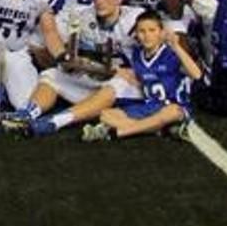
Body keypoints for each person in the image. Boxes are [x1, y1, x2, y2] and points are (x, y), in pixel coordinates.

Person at [4, 0, 145, 136]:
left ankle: (56, 121)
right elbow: (58, 40)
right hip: (99, 75)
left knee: (116, 84)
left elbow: (153, 49)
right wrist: (69, 60)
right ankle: (27, 114)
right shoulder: (83, 15)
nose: (100, 1)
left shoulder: (134, 18)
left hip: (130, 83)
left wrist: (137, 72)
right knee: (53, 74)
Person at [82, 10, 202, 141]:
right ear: (136, 34)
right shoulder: (137, 54)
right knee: (106, 115)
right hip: (149, 106)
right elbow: (139, 77)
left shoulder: (171, 53)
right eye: (142, 31)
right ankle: (161, 130)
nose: (147, 35)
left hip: (172, 107)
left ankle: (118, 132)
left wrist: (176, 46)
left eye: (152, 30)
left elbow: (197, 75)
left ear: (161, 32)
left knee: (172, 112)